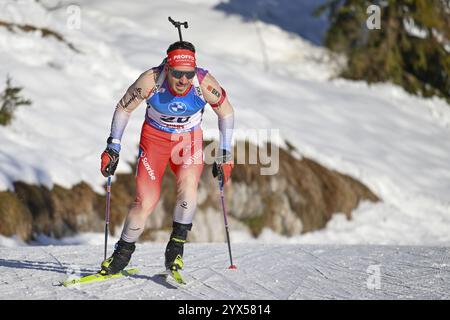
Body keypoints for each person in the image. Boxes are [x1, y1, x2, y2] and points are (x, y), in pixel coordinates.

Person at [99, 41, 235, 275]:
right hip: (155, 141)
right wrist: (113, 147)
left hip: (188, 141)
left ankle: (176, 248)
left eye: (188, 74)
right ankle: (121, 255)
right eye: (178, 74)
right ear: (167, 68)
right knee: (145, 201)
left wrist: (225, 153)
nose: (184, 80)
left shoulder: (203, 83)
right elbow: (124, 108)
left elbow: (227, 112)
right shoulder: (151, 80)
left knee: (189, 186)